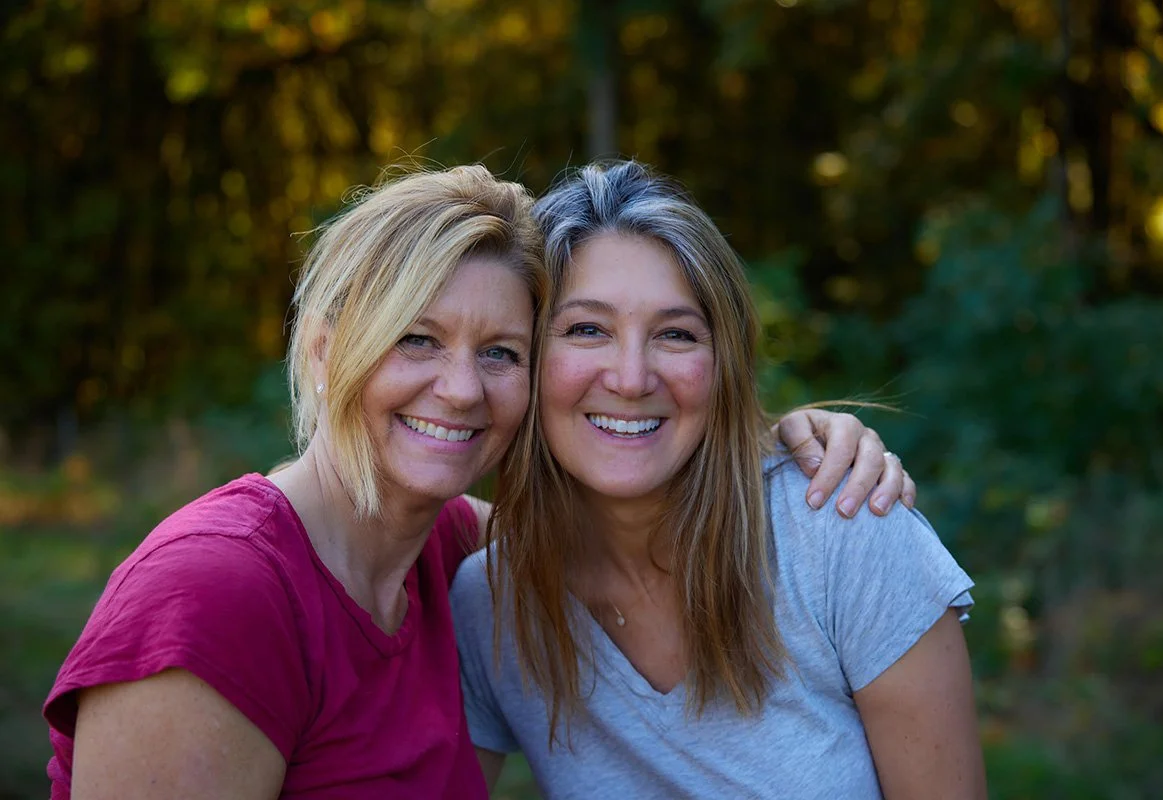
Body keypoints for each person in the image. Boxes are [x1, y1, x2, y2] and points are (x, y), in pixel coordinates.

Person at [43, 164, 911, 798]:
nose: (460, 389)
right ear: (323, 351)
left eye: (500, 353)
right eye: (416, 340)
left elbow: (625, 519)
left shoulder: (452, 551)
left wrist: (778, 444)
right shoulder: (215, 593)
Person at [451, 160, 987, 799]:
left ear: (722, 367)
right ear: (525, 357)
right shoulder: (494, 606)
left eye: (675, 334)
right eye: (587, 329)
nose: (631, 377)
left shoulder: (844, 536)